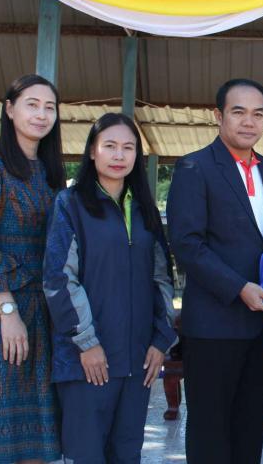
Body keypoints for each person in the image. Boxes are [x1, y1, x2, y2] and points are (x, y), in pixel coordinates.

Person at [167, 78, 263, 464]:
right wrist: (239, 287)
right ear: (218, 115)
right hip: (213, 326)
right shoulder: (194, 167)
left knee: (249, 428)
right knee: (210, 432)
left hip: (260, 326)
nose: (249, 122)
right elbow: (187, 244)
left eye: (258, 114)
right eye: (238, 112)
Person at [44, 113, 176, 463]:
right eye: (110, 146)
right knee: (86, 456)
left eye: (128, 148)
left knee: (127, 455)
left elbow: (162, 279)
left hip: (138, 362)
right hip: (87, 361)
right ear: (92, 151)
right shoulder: (70, 204)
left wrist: (161, 340)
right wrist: (87, 343)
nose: (119, 155)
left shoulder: (146, 210)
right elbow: (59, 278)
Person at [0, 74, 65, 464]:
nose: (41, 114)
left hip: (45, 310)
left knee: (40, 432)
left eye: (49, 107)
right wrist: (7, 311)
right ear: (9, 109)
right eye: (31, 104)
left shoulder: (52, 171)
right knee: (1, 433)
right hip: (2, 309)